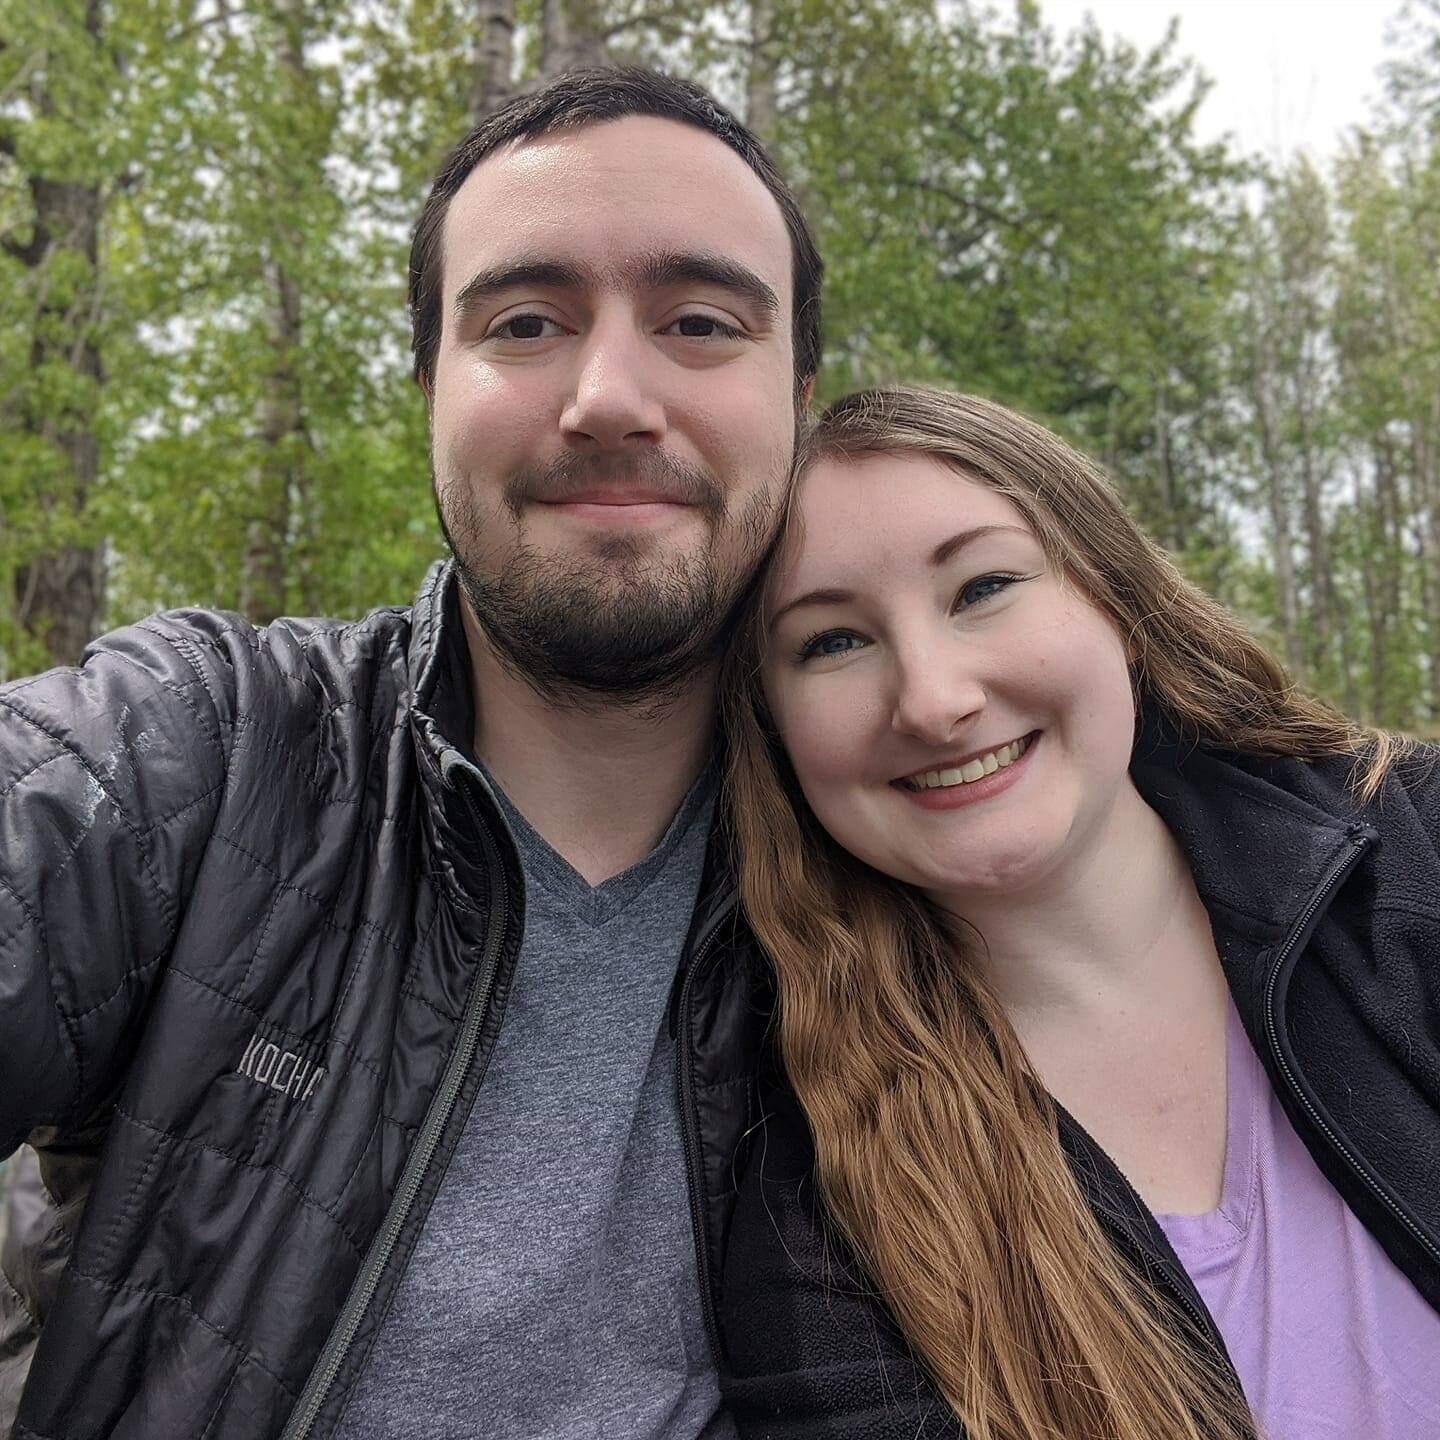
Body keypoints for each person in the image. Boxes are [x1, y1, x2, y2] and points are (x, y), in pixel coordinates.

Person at [0, 67, 822, 1439]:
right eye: (524, 321)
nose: (611, 395)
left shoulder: (910, 839)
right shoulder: (209, 751)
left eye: (698, 321)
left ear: (799, 393)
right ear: (427, 387)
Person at [715, 385, 1440, 1439]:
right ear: (775, 737)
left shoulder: (1413, 855)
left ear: (1118, 606)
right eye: (830, 643)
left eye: (983, 586)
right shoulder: (813, 1212)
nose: (932, 698)